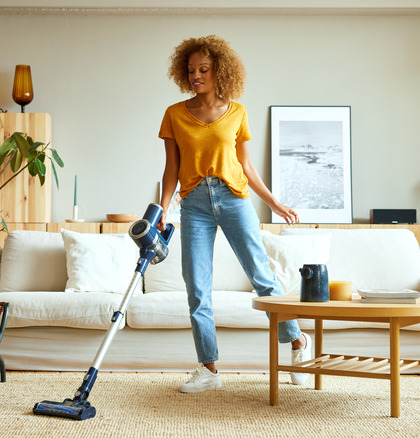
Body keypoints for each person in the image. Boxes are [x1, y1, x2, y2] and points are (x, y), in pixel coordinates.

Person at [157, 35, 312, 393]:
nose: (196, 76)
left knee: (262, 276)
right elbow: (170, 169)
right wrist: (162, 211)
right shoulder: (174, 114)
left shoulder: (238, 112)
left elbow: (246, 165)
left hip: (234, 198)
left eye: (204, 70)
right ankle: (208, 369)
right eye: (191, 70)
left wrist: (274, 203)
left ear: (219, 71)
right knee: (196, 286)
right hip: (193, 203)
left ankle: (298, 343)